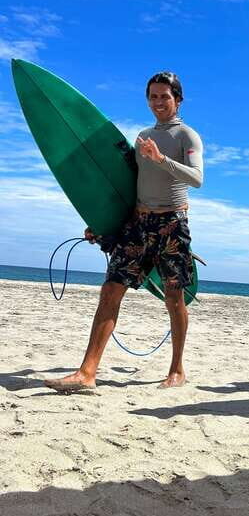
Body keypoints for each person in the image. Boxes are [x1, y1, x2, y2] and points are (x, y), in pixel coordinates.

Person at [45, 71, 203, 392]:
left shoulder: (187, 136)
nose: (159, 102)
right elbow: (126, 186)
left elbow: (196, 178)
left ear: (178, 100)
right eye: (153, 96)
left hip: (172, 224)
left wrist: (160, 159)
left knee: (174, 299)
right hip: (137, 223)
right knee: (110, 290)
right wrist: (101, 222)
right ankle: (87, 372)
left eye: (165, 96)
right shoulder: (143, 135)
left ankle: (177, 369)